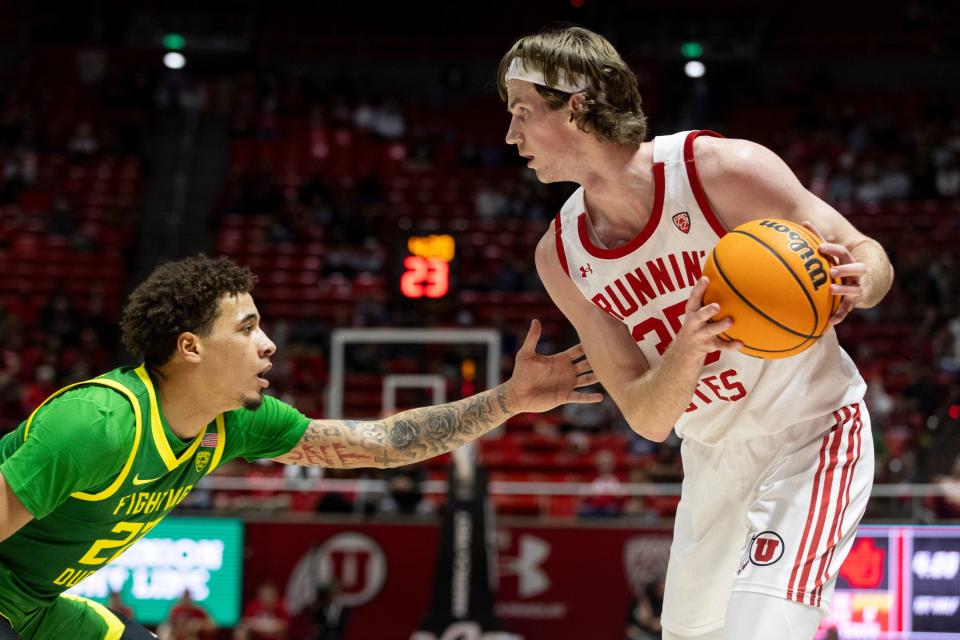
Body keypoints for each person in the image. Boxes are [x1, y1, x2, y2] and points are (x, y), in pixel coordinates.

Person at [498, 26, 894, 640]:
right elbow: (647, 417)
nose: (510, 134)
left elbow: (868, 254)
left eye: (522, 112)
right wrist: (687, 348)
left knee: (765, 626)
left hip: (812, 435)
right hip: (710, 458)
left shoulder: (720, 169)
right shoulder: (561, 256)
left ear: (576, 107)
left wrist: (859, 281)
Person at [0, 254, 601, 640]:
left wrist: (509, 400)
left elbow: (380, 444)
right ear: (190, 348)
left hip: (41, 608)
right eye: (247, 328)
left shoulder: (234, 422)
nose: (269, 345)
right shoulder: (96, 424)